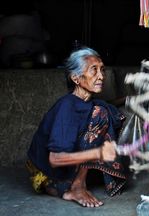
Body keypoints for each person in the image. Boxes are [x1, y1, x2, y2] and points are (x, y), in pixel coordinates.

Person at [27, 47, 127, 207]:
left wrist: (128, 99)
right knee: (100, 114)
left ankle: (69, 185)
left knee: (103, 109)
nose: (101, 76)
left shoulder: (87, 102)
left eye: (102, 70)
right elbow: (54, 159)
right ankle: (75, 187)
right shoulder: (67, 107)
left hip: (65, 165)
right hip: (45, 170)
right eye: (93, 70)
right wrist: (98, 153)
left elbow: (106, 104)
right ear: (75, 77)